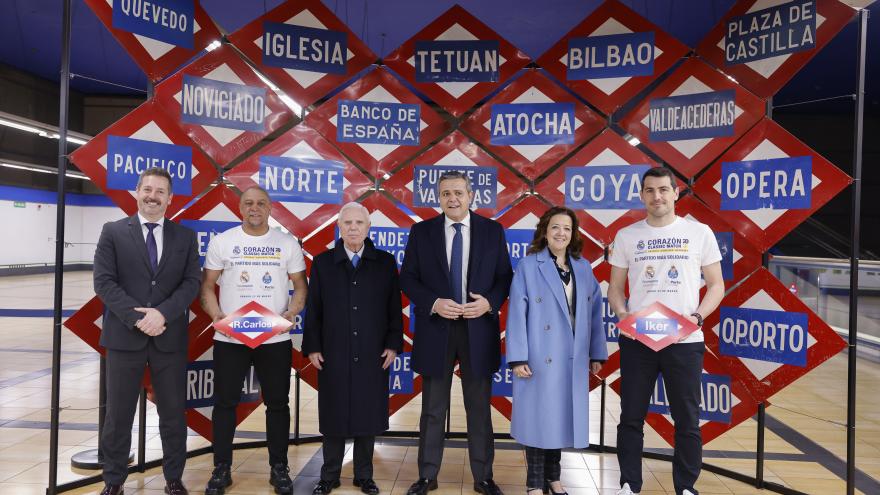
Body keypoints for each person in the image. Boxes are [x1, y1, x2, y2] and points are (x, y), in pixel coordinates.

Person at [607, 168, 725, 495]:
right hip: (638, 340)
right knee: (631, 417)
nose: (656, 196)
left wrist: (697, 318)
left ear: (676, 192)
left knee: (687, 419)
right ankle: (629, 484)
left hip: (684, 340)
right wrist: (623, 315)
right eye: (649, 190)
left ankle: (686, 487)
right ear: (642, 195)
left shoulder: (699, 232)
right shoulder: (627, 235)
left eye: (663, 189)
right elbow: (615, 288)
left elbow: (716, 285)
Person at [400, 170, 513, 495]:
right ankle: (427, 476)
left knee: (478, 410)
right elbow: (408, 278)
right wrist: (434, 303)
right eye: (446, 193)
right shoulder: (422, 232)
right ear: (439, 197)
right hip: (437, 329)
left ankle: (484, 478)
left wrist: (489, 303)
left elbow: (505, 276)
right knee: (433, 410)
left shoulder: (492, 231)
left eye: (458, 193)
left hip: (478, 330)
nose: (452, 199)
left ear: (470, 195)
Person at [93, 167, 201, 495]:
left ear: (170, 198)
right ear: (137, 192)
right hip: (125, 337)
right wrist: (138, 318)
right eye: (148, 190)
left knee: (173, 413)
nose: (153, 196)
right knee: (118, 415)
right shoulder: (112, 231)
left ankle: (173, 478)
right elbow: (104, 282)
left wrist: (162, 313)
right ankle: (113, 481)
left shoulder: (185, 237)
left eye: (160, 191)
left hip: (169, 337)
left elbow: (191, 283)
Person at [200, 186, 307, 495]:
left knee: (278, 403)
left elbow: (301, 286)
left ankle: (279, 468)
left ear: (270, 207)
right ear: (240, 207)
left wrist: (291, 312)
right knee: (224, 403)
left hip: (274, 336)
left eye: (261, 203)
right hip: (230, 336)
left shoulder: (286, 243)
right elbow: (207, 285)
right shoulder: (223, 242)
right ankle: (221, 468)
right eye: (248, 203)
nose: (254, 208)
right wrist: (216, 315)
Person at [302, 202, 404, 495]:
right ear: (339, 227)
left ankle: (364, 475)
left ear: (368, 227)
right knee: (333, 412)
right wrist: (313, 346)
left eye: (359, 223)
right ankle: (329, 475)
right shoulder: (323, 262)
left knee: (367, 413)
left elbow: (394, 308)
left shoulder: (385, 262)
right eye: (347, 223)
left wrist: (393, 344)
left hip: (373, 350)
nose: (353, 228)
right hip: (333, 350)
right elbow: (314, 309)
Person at [505, 206, 607, 495]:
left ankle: (554, 478)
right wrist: (518, 357)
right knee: (538, 421)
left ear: (573, 234)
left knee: (559, 421)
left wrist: (596, 352)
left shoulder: (583, 268)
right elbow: (517, 314)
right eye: (555, 227)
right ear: (544, 231)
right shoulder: (529, 266)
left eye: (567, 228)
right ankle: (534, 483)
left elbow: (594, 312)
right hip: (539, 356)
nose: (561, 233)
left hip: (572, 358)